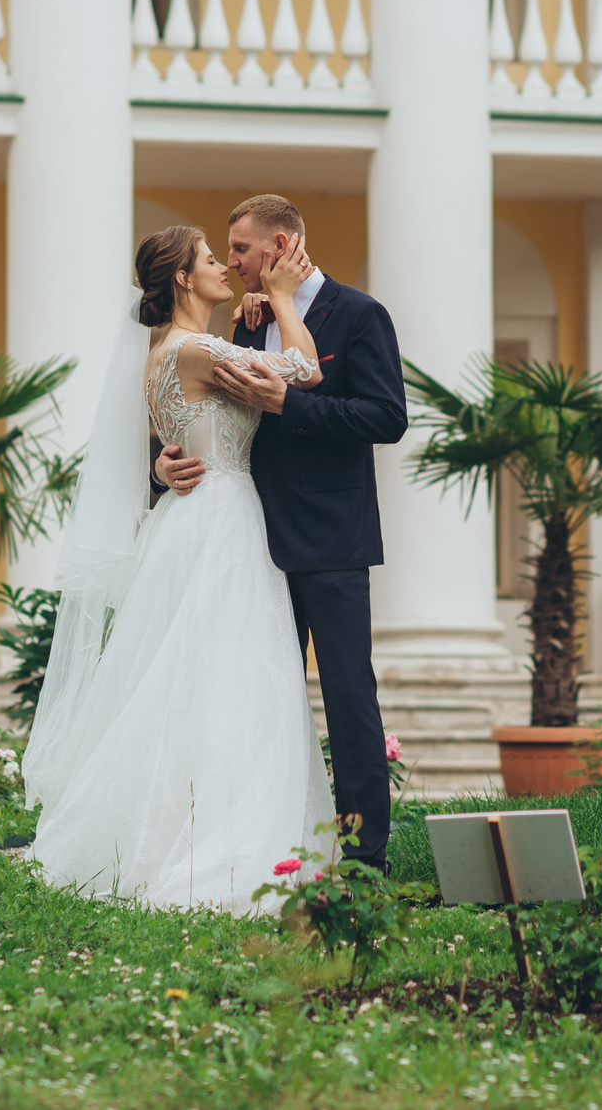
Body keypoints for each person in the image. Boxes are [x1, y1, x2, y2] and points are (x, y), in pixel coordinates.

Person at [21, 225, 330, 912]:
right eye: (213, 260)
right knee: (234, 678)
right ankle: (220, 841)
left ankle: (184, 828)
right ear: (185, 279)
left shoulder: (161, 354)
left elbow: (177, 434)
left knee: (188, 682)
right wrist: (282, 299)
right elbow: (305, 371)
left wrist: (165, 460)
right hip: (223, 520)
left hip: (187, 522)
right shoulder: (194, 346)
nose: (226, 269)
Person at [153, 193, 406, 870]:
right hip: (249, 541)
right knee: (261, 697)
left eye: (241, 249)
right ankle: (271, 844)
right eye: (225, 252)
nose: (232, 263)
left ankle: (363, 857)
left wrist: (293, 403)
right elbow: (214, 417)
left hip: (330, 536)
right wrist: (166, 458)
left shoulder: (358, 313)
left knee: (349, 694)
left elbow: (386, 416)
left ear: (282, 243)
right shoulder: (245, 325)